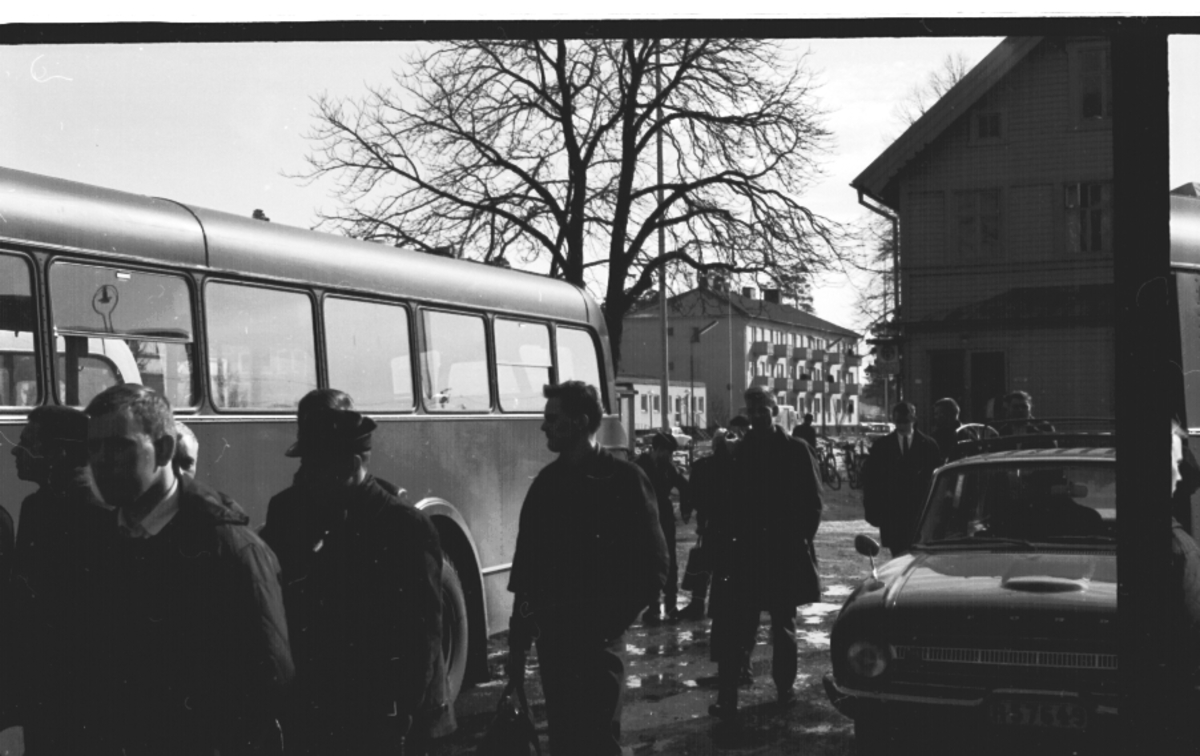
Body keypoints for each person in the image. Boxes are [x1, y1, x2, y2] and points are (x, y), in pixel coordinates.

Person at [85, 384, 293, 756]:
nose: (101, 460)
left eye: (118, 446)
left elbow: (269, 678)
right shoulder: (98, 541)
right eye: (94, 447)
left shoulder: (231, 548)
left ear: (164, 449)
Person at [260, 402, 452, 755]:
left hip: (382, 715)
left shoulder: (403, 525)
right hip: (326, 706)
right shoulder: (306, 509)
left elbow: (422, 632)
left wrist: (401, 714)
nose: (305, 475)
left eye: (315, 465)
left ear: (350, 466)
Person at [507, 381, 668, 756]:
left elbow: (655, 565)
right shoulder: (547, 484)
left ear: (579, 422)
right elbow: (527, 572)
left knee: (598, 742)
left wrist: (612, 624)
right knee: (564, 743)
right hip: (556, 646)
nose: (544, 427)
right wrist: (518, 646)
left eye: (553, 419)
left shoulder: (626, 479)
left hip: (599, 648)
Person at [709, 386, 823, 721]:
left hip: (782, 553)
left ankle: (784, 689)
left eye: (764, 410)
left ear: (775, 411)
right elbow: (725, 498)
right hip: (746, 554)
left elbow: (813, 503)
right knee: (737, 627)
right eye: (752, 411)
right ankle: (730, 693)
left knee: (783, 627)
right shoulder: (739, 450)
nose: (758, 416)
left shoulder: (796, 449)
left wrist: (799, 541)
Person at [2, 406, 108, 754]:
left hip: (73, 690)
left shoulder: (93, 514)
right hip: (46, 687)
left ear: (58, 454)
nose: (15, 451)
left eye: (27, 443)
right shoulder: (38, 506)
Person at [861, 401, 942, 557]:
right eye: (899, 421)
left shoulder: (929, 446)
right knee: (898, 557)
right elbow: (871, 481)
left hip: (920, 515)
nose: (902, 425)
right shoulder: (882, 446)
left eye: (906, 421)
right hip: (893, 516)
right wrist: (872, 511)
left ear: (914, 419)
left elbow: (936, 480)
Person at [636, 431, 690, 624]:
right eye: (668, 452)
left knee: (669, 561)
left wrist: (685, 510)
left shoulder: (666, 468)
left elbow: (685, 487)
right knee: (651, 562)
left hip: (663, 518)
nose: (670, 456)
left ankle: (669, 606)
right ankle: (654, 606)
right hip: (647, 520)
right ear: (657, 449)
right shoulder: (640, 467)